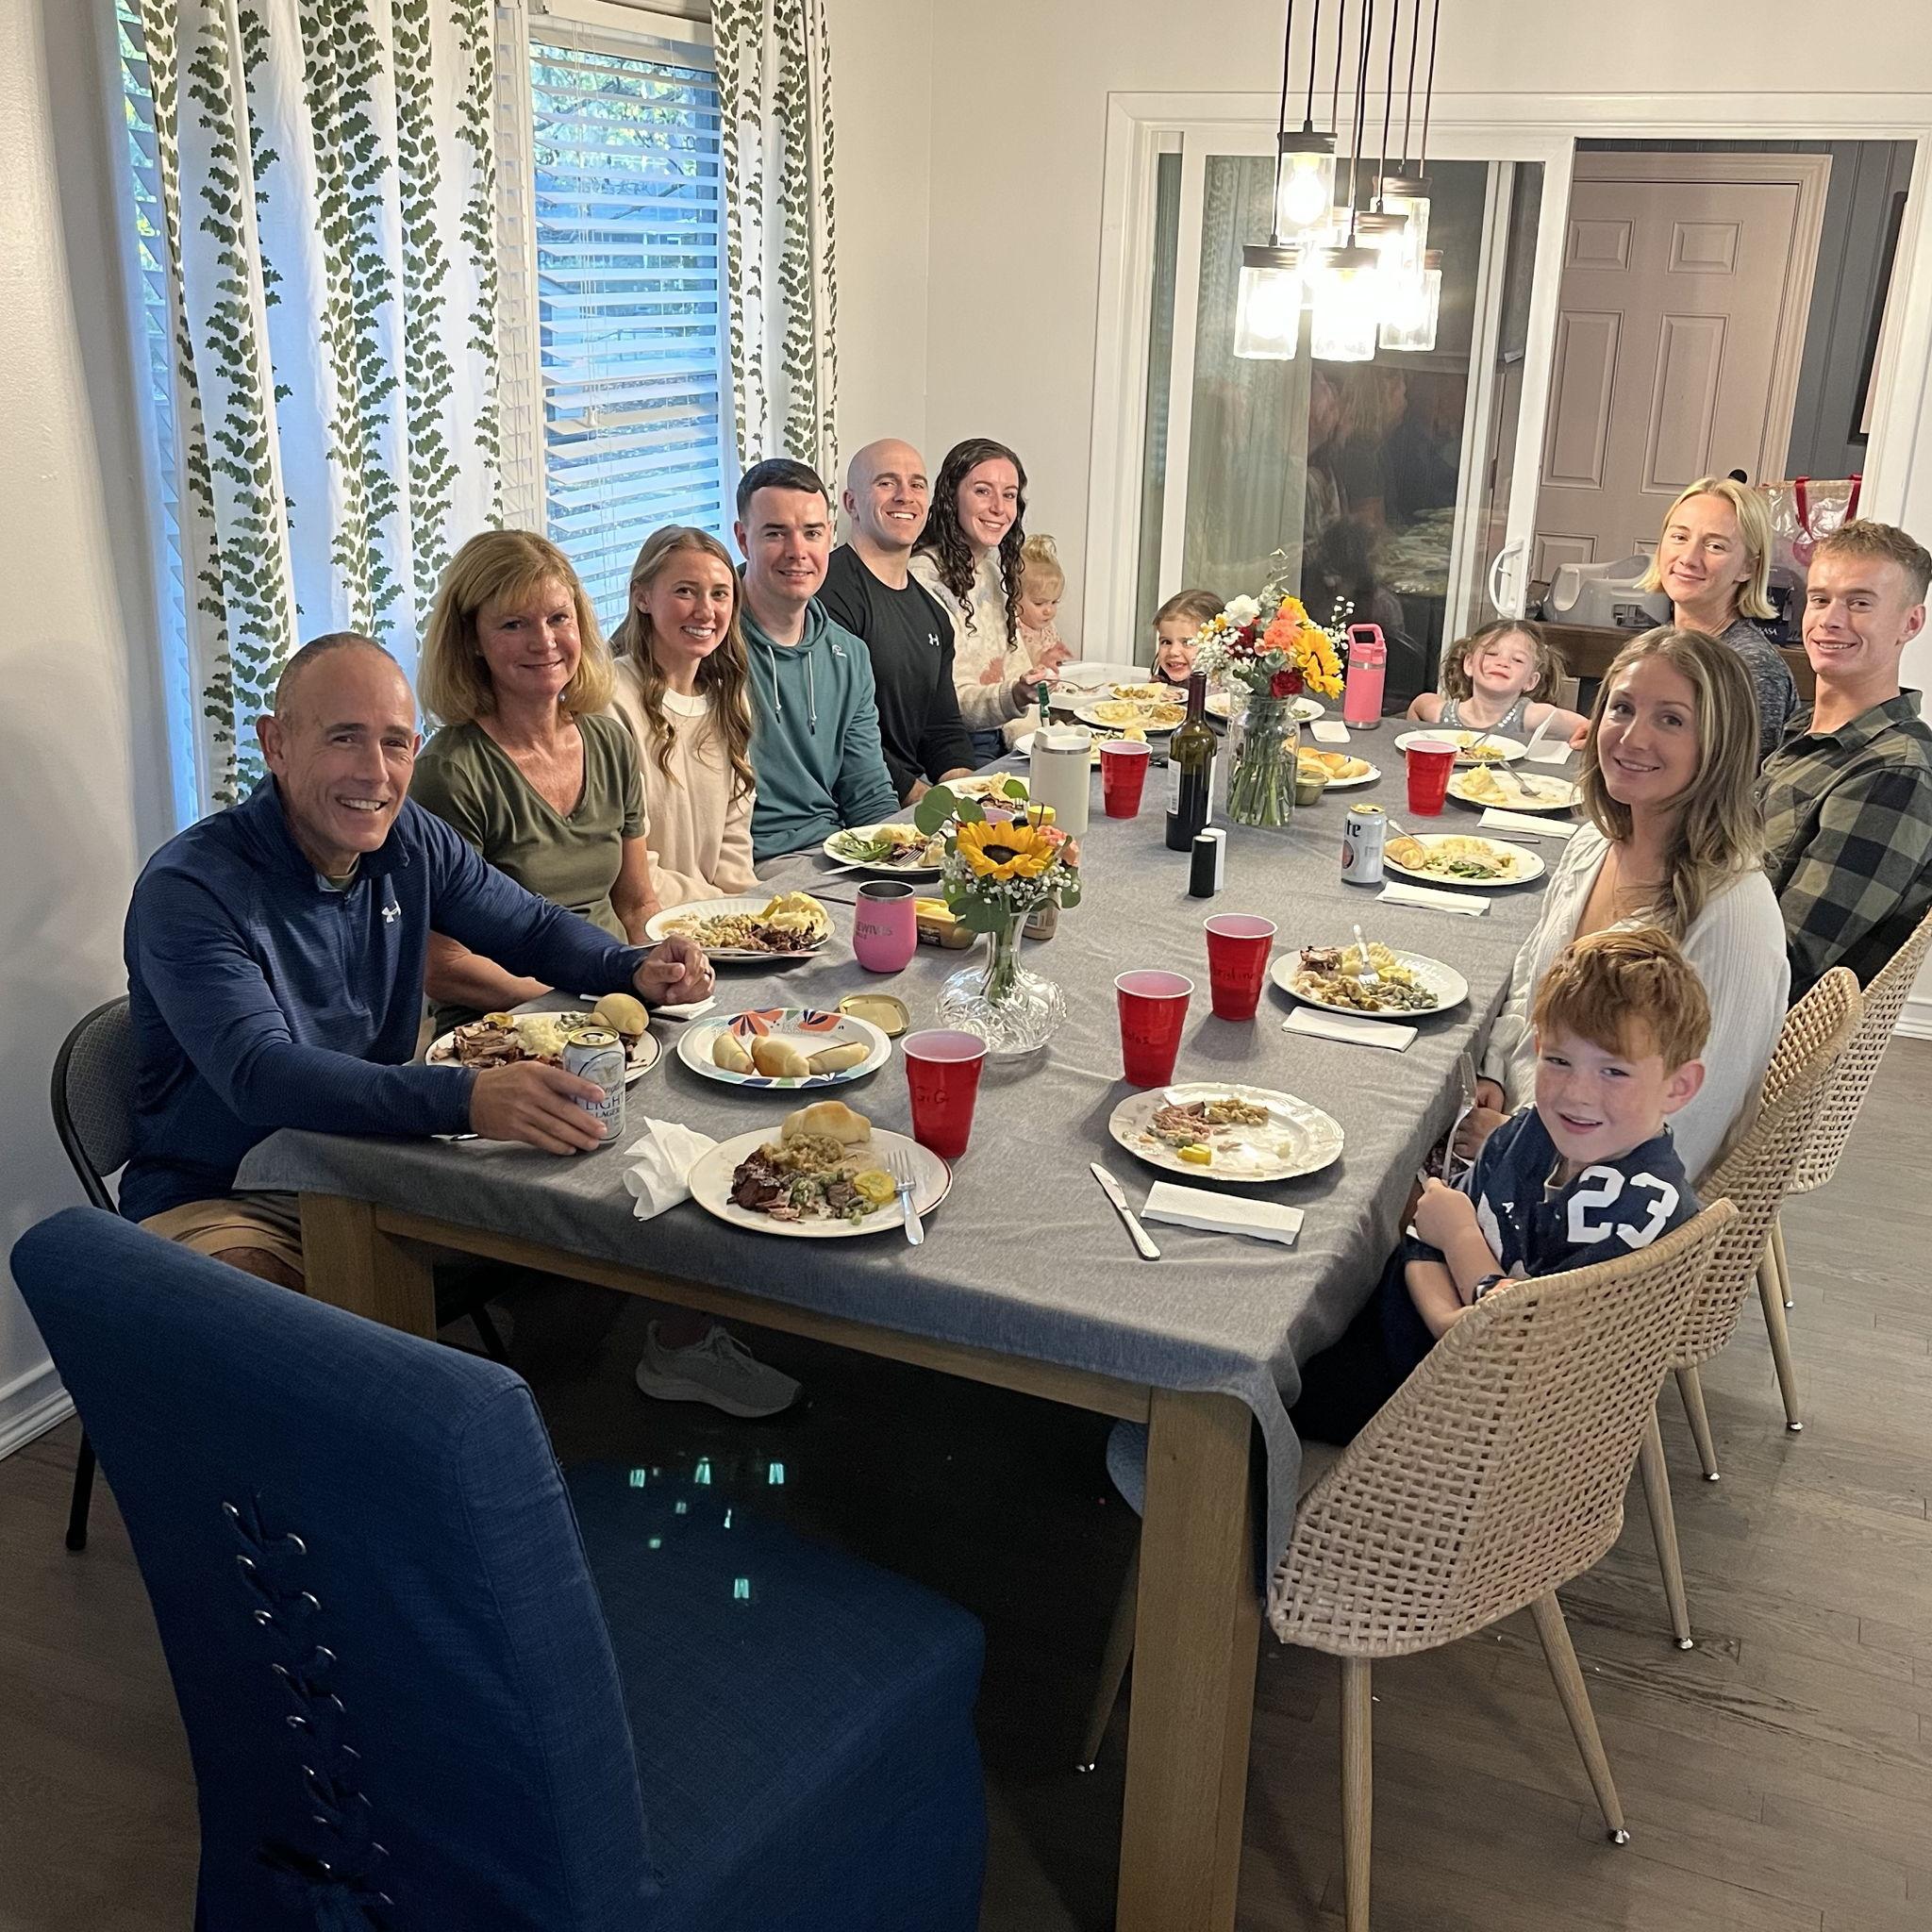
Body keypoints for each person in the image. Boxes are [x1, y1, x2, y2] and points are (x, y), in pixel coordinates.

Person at [121, 634, 714, 1290]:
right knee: (272, 1309)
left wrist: (631, 968)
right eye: (344, 738)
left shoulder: (408, 836)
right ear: (275, 744)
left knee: (618, 1211)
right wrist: (467, 1099)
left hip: (372, 1158)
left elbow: (533, 927)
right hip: (229, 1192)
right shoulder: (191, 888)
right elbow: (260, 1074)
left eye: (395, 743)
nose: (375, 772)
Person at [1291, 927, 1707, 1446]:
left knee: (1240, 1402)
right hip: (1396, 1344)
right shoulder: (1531, 1132)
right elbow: (1426, 1231)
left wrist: (1462, 1244)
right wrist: (1456, 1317)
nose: (1577, 1093)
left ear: (1678, 1087)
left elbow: (1512, 1348)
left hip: (1434, 1418)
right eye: (1559, 1061)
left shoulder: (1643, 1214)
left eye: (1614, 1073)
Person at [1464, 625, 1790, 1182]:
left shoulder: (1732, 913)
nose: (1632, 738)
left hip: (1591, 1199)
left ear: (1720, 746)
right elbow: (1532, 979)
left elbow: (1690, 1124)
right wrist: (1495, 1067)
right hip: (1524, 1127)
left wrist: (1516, 1148)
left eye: (1671, 720)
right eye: (1622, 709)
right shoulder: (1593, 844)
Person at [410, 531, 656, 1039]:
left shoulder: (610, 741)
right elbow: (444, 964)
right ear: (472, 640)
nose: (543, 642)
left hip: (610, 1003)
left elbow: (636, 905)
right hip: (505, 1025)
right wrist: (580, 1004)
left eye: (558, 618)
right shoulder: (450, 771)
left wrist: (657, 974)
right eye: (513, 624)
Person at [1757, 519, 1932, 998]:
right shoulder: (1803, 732)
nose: (1830, 620)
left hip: (1735, 1019)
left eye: (1859, 603)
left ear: (1910, 623)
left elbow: (1785, 963)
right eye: (1820, 599)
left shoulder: (1894, 772)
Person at [734, 457, 901, 858]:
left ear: (829, 535)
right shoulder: (709, 642)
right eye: (776, 533)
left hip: (832, 851)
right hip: (748, 863)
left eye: (811, 533)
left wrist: (899, 858)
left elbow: (868, 792)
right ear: (742, 539)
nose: (797, 552)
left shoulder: (849, 655)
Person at [816, 439, 977, 806]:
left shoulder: (934, 614)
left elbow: (943, 730)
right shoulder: (828, 594)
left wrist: (969, 796)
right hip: (859, 803)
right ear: (851, 503)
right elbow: (839, 732)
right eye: (886, 482)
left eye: (917, 484)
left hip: (915, 797)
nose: (905, 496)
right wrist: (925, 801)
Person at [607, 525, 760, 906]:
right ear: (642, 597)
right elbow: (629, 867)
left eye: (719, 594)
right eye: (685, 591)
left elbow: (734, 846)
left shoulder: (729, 699)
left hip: (717, 916)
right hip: (647, 919)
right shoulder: (611, 700)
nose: (705, 611)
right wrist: (717, 907)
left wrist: (748, 913)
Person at [909, 437, 1055, 758]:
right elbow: (943, 705)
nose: (999, 508)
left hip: (1005, 735)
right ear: (951, 497)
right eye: (982, 491)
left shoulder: (991, 570)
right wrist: (1014, 696)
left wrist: (1040, 745)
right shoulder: (923, 577)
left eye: (1009, 495)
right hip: (955, 745)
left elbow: (1016, 667)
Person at [1640, 476, 1798, 758]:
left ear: (1749, 568)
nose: (1688, 558)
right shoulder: (1652, 646)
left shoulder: (1750, 667)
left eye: (1715, 546)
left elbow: (1742, 779)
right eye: (1679, 537)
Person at [1406, 619, 1589, 742]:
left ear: (1531, 681)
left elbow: (1589, 729)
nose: (1502, 662)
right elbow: (1418, 705)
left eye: (1517, 660)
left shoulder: (1532, 716)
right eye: (1492, 653)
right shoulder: (1442, 713)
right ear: (1469, 664)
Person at [1013, 535, 1074, 675]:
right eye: (1039, 603)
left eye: (1054, 602)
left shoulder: (1048, 627)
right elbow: (1019, 661)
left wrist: (1059, 655)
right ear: (1014, 598)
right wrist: (1042, 659)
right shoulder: (1014, 628)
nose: (1049, 610)